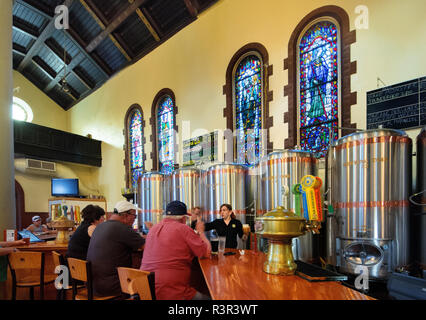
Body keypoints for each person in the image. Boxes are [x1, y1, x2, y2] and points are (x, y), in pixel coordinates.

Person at [141, 200, 211, 300]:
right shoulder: (183, 229)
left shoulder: (153, 229)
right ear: (183, 218)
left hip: (147, 290)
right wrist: (201, 232)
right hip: (172, 292)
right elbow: (206, 253)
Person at [86, 200, 145, 297]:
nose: (134, 219)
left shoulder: (100, 226)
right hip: (113, 287)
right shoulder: (122, 228)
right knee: (147, 285)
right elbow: (146, 247)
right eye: (134, 216)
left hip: (94, 286)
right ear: (126, 215)